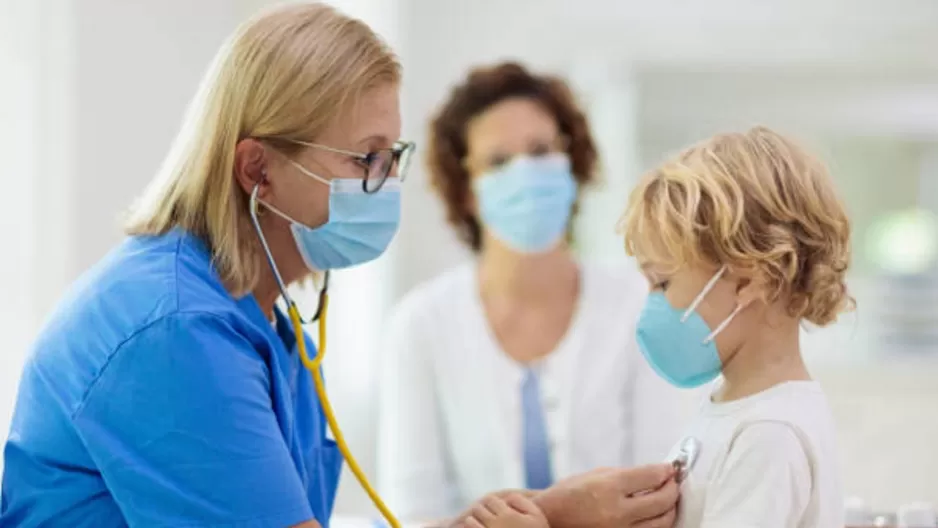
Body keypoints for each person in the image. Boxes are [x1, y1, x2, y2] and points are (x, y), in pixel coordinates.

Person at [0, 4, 679, 528]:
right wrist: (555, 515)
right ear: (258, 169)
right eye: (365, 157)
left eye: (392, 156)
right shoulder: (174, 332)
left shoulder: (260, 321)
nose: (384, 183)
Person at [377, 62, 687, 522]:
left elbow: (664, 494)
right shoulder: (422, 324)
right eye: (499, 162)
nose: (525, 172)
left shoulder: (639, 304)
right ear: (466, 191)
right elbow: (411, 516)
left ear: (572, 162)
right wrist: (568, 514)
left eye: (541, 150)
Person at [618, 126, 848, 527]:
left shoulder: (769, 435)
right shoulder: (734, 408)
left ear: (749, 280)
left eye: (663, 282)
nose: (651, 302)